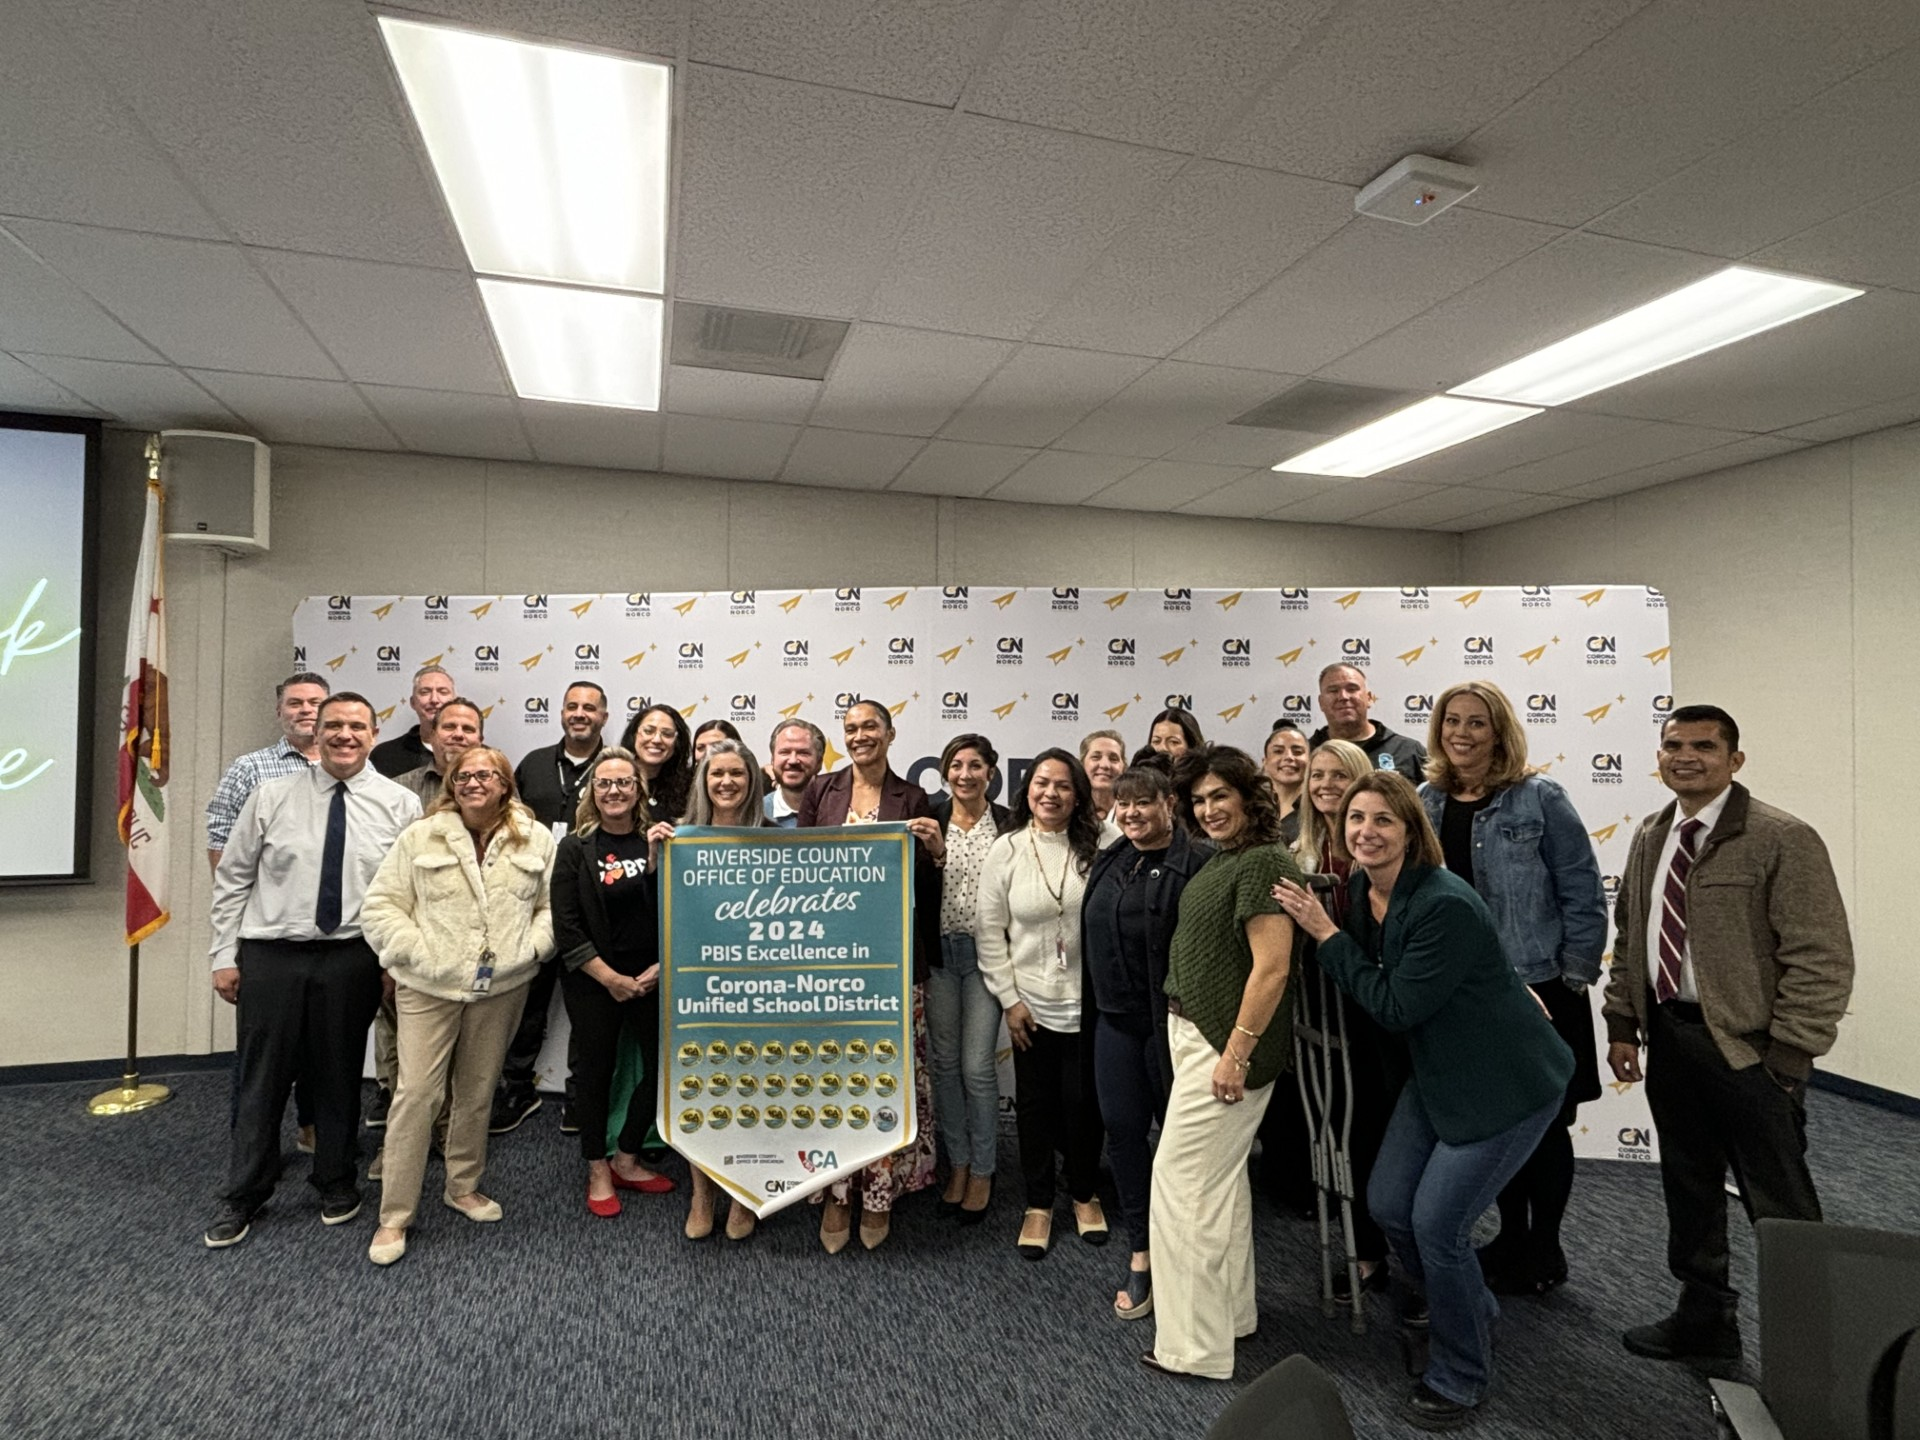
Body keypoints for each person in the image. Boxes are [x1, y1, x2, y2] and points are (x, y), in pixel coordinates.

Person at [1276, 773, 1573, 1430]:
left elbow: (1394, 1006)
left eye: (1384, 819)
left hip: (1506, 1080)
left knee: (1439, 1227)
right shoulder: (1364, 892)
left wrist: (1325, 935)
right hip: (1438, 1072)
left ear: (1412, 831)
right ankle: (1469, 1303)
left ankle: (1461, 1372)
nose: (1366, 832)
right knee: (1389, 1206)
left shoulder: (1442, 902)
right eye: (1356, 818)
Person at [1604, 705, 1853, 1374]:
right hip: (1671, 1039)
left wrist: (1791, 1053)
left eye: (1704, 746)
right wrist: (1623, 1021)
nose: (1686, 757)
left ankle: (1816, 1357)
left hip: (1751, 1052)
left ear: (1734, 760)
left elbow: (1821, 954)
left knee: (1781, 1206)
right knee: (1690, 1188)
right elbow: (1632, 936)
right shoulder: (1652, 834)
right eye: (1673, 745)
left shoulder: (1781, 837)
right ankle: (1705, 1319)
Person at [203, 693, 421, 1249]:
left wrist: (392, 963)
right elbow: (233, 878)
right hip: (272, 954)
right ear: (315, 734)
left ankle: (335, 1180)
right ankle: (244, 1193)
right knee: (263, 1077)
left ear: (373, 735)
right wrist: (223, 955)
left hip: (353, 955)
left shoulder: (400, 805)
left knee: (340, 1072)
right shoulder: (270, 796)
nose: (345, 735)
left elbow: (409, 894)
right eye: (334, 725)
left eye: (357, 726)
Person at [1418, 681, 1607, 1297]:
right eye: (1452, 721)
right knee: (1497, 1123)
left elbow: (1582, 890)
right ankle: (1510, 1235)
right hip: (1466, 995)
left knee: (1545, 1127)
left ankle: (1544, 1247)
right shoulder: (1426, 800)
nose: (1462, 733)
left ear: (1499, 731)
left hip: (1541, 987)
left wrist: (1574, 978)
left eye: (1477, 722)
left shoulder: (1539, 798)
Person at [358, 747, 556, 1266]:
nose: (473, 783)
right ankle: (394, 1216)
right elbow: (380, 906)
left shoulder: (535, 839)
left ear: (505, 784)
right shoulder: (420, 836)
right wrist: (416, 953)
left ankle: (462, 1186)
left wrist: (531, 949)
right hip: (427, 988)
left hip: (502, 987)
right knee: (417, 1095)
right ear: (451, 784)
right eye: (463, 775)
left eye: (485, 775)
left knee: (476, 1091)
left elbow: (551, 906)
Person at [1141, 747, 1298, 1380]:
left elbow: (1273, 968)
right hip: (1198, 1037)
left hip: (1225, 1046)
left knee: (1182, 1187)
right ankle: (1230, 1317)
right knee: (1220, 1187)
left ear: (1247, 797)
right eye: (1199, 800)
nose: (1208, 810)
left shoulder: (1263, 861)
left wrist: (1236, 1054)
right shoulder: (1231, 857)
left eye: (1220, 796)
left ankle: (1193, 1348)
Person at [797, 699, 944, 1252]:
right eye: (851, 728)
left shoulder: (913, 797)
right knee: (835, 1074)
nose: (860, 736)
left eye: (870, 727)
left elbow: (921, 889)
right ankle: (838, 1193)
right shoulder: (821, 790)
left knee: (885, 1075)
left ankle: (878, 1195)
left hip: (892, 960)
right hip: (829, 961)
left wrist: (936, 853)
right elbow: (797, 870)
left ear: (890, 733)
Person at [1081, 762, 1212, 1320]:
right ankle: (1142, 1250)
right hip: (1113, 1024)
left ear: (1169, 804)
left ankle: (1189, 1256)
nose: (1132, 813)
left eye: (1144, 802)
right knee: (1124, 1135)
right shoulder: (1113, 857)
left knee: (1183, 1149)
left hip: (1172, 1030)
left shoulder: (1199, 863)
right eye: (1123, 803)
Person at [976, 748, 1109, 1260]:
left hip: (1091, 1007)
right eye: (1041, 783)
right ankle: (1038, 1203)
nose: (1050, 793)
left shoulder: (1105, 843)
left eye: (1063, 785)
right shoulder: (1006, 849)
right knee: (1034, 1108)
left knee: (1084, 1106)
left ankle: (1084, 1192)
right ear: (1027, 789)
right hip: (1030, 1007)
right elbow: (990, 933)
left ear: (1078, 795)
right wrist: (1010, 1001)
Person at [550, 748, 678, 1221]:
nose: (614, 791)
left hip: (652, 977)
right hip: (594, 981)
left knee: (663, 1070)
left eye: (624, 782)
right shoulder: (575, 848)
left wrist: (662, 966)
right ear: (592, 791)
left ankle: (626, 1158)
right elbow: (566, 925)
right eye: (604, 783)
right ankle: (597, 1169)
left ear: (639, 790)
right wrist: (609, 978)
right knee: (595, 1074)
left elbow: (672, 908)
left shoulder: (660, 840)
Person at [1289, 738, 1396, 1300]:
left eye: (1338, 775)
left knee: (1374, 1130)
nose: (1326, 785)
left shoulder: (1372, 850)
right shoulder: (1303, 850)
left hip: (1372, 1012)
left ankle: (1385, 1248)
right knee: (1341, 1134)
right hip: (1321, 1011)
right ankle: (1365, 1247)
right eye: (1317, 775)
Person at [205, 670, 328, 1153]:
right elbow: (222, 847)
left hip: (332, 935)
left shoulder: (353, 768)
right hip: (267, 935)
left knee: (322, 1046)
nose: (306, 711)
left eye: (315, 702)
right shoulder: (250, 769)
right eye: (295, 703)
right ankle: (253, 1148)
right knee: (263, 1051)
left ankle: (314, 1128)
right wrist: (230, 938)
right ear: (279, 711)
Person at [655, 739, 768, 1241]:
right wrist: (656, 857)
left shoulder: (777, 838)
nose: (726, 782)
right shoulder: (680, 836)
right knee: (701, 1089)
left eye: (736, 774)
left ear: (752, 781)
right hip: (698, 988)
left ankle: (744, 1193)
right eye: (716, 774)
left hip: (760, 988)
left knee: (752, 1089)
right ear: (703, 781)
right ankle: (702, 1194)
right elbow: (656, 908)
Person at [492, 681, 609, 1135]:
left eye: (590, 708)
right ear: (561, 713)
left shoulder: (615, 767)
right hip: (535, 905)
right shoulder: (534, 764)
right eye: (572, 706)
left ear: (604, 716)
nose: (580, 714)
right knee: (527, 1004)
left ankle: (581, 1097)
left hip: (592, 905)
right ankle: (517, 1088)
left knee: (588, 1011)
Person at [926, 733, 1011, 1225]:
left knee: (978, 1067)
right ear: (945, 773)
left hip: (987, 957)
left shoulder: (1009, 824)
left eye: (975, 765)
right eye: (956, 765)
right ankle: (956, 1164)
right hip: (939, 954)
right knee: (944, 1065)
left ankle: (983, 1169)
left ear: (990, 773)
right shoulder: (930, 818)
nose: (965, 774)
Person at [1308, 663, 1427, 787]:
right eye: (1333, 690)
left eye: (1352, 689)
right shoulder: (1306, 753)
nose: (1343, 696)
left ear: (1369, 698)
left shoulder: (1408, 751)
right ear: (1321, 703)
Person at [393, 697, 483, 808]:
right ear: (432, 736)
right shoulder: (399, 789)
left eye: (468, 729)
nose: (458, 734)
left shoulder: (496, 790)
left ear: (480, 741)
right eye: (449, 727)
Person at [368, 663, 454, 779]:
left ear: (454, 701)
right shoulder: (385, 754)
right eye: (425, 692)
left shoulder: (475, 752)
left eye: (443, 692)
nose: (434, 699)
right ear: (413, 702)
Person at [619, 703, 694, 825]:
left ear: (677, 742)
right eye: (648, 731)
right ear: (634, 735)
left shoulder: (689, 787)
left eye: (667, 734)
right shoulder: (614, 779)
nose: (657, 740)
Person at [764, 718, 826, 826]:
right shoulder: (756, 813)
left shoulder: (838, 810)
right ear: (772, 760)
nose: (793, 761)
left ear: (819, 762)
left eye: (803, 753)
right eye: (785, 752)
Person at [1261, 722, 1310, 846]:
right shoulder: (1252, 809)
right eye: (1278, 751)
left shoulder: (1319, 810)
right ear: (1265, 762)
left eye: (1297, 752)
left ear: (1310, 761)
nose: (1289, 757)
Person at [1080, 729, 1127, 824]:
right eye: (1096, 757)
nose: (1105, 765)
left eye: (1113, 759)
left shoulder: (1131, 814)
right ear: (1081, 765)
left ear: (1124, 768)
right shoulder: (1068, 813)